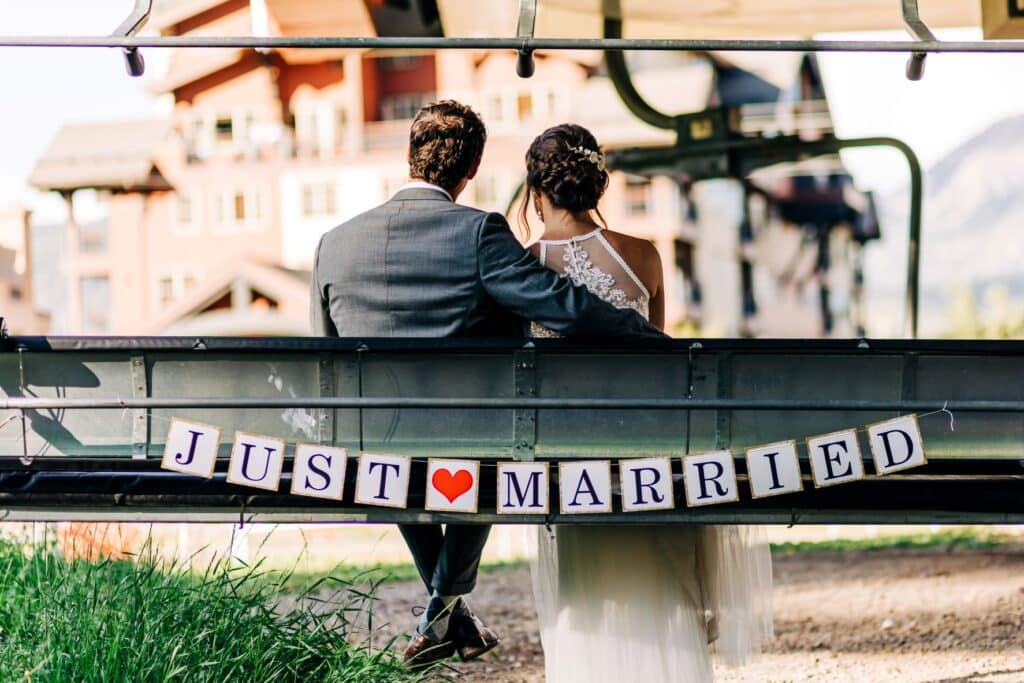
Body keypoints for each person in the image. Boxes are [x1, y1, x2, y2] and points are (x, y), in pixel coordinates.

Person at [309, 101, 666, 669]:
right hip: (472, 439)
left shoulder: (333, 242)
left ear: (408, 158)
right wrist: (648, 338)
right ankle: (444, 610)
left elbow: (325, 357)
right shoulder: (480, 232)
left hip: (373, 440)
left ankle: (447, 615)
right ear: (472, 169)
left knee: (388, 444)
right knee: (487, 443)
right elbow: (566, 307)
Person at [521, 123, 774, 682]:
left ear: (537, 192)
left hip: (570, 468)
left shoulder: (523, 267)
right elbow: (659, 363)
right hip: (646, 457)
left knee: (589, 589)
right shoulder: (645, 257)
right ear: (597, 186)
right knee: (657, 576)